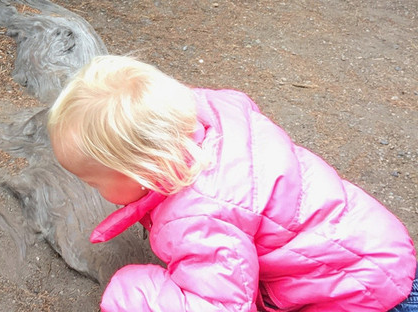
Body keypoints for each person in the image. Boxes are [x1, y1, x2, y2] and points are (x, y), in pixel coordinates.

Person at [48, 54, 418, 312]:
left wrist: (131, 291)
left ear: (142, 171)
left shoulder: (196, 218)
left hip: (366, 296)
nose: (97, 194)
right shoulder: (214, 122)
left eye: (95, 182)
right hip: (376, 250)